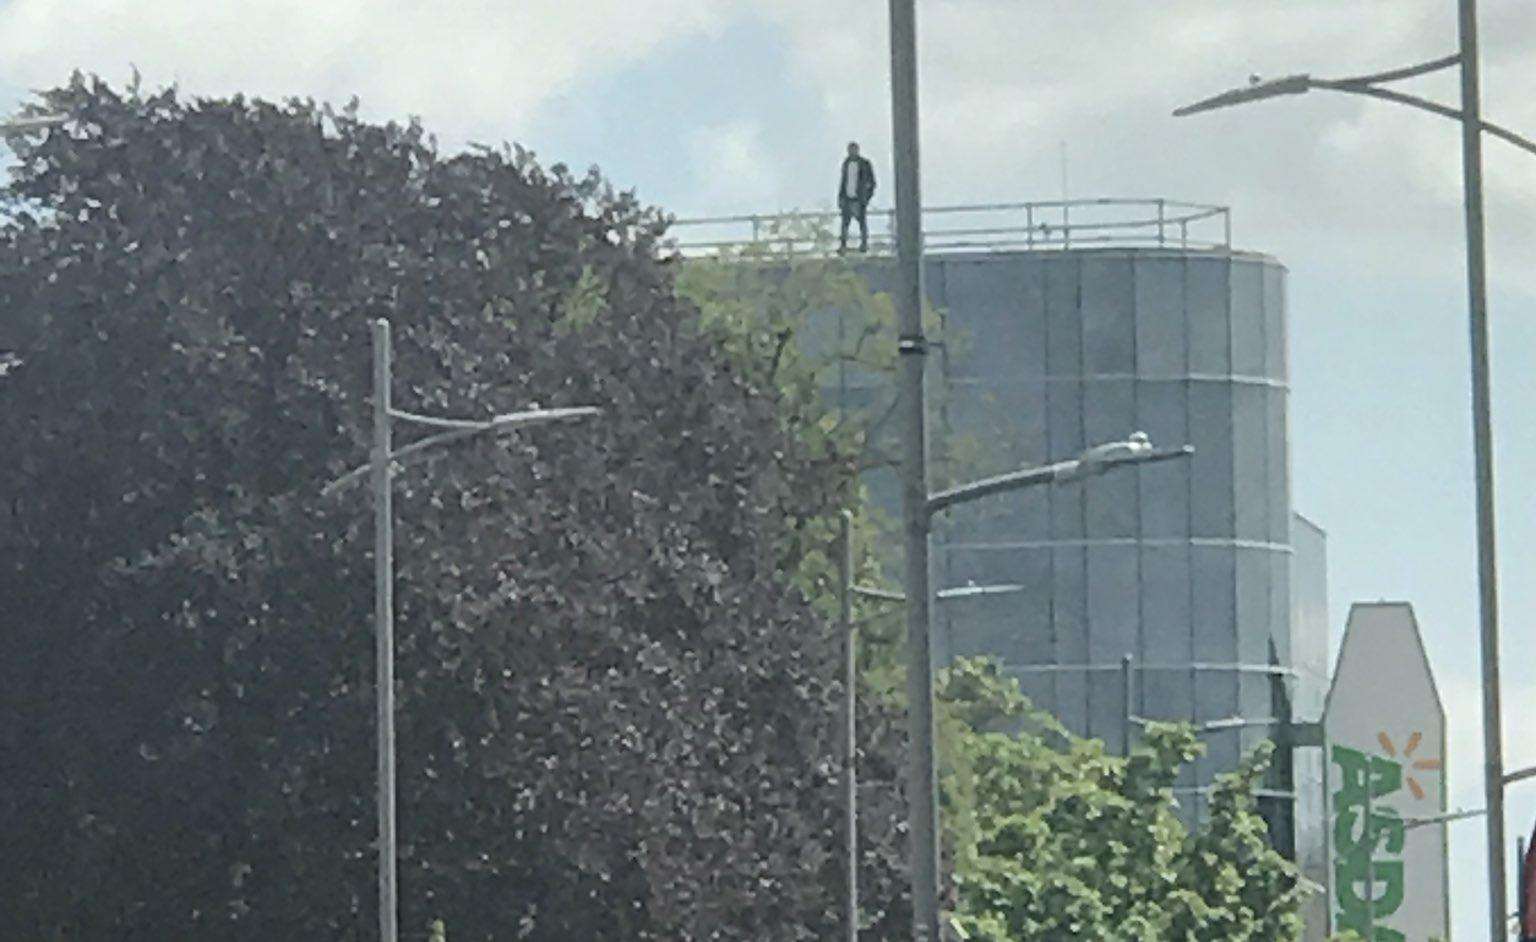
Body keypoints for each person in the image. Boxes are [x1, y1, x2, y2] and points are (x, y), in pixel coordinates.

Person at [836, 141, 876, 252]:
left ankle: (864, 244)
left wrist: (867, 197)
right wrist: (840, 197)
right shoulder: (846, 164)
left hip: (859, 199)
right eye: (850, 150)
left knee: (862, 223)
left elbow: (872, 182)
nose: (851, 152)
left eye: (853, 149)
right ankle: (843, 245)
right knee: (845, 223)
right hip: (847, 198)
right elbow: (843, 181)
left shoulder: (865, 163)